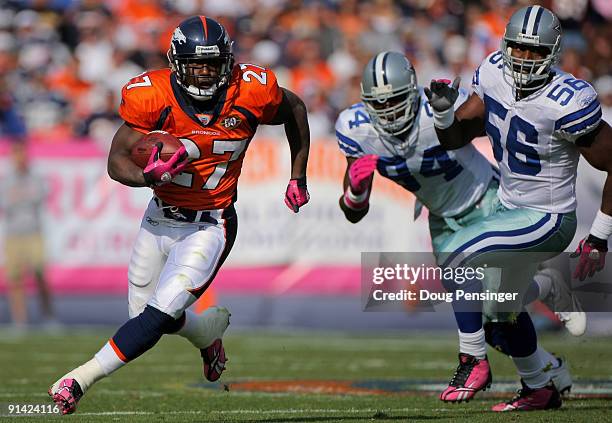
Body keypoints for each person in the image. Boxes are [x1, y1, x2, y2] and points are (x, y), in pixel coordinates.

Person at [48, 16, 310, 415]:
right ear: (176, 61)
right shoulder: (151, 95)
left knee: (155, 317)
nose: (204, 73)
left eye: (212, 63)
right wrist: (146, 176)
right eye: (195, 63)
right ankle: (206, 333)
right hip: (159, 217)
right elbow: (116, 160)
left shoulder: (251, 90)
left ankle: (78, 380)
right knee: (145, 318)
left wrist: (298, 176)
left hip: (211, 222)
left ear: (227, 62)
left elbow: (295, 108)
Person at [336, 50, 579, 409]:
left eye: (396, 101)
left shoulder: (439, 107)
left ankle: (489, 362)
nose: (387, 112)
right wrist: (355, 192)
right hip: (442, 220)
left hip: (488, 204)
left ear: (414, 91)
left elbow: (501, 132)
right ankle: (546, 368)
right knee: (495, 324)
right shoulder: (355, 129)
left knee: (499, 308)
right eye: (379, 104)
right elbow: (353, 212)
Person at [425, 5, 611, 411]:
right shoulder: (493, 74)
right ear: (505, 46)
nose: (524, 58)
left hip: (548, 219)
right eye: (518, 49)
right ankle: (539, 386)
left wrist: (599, 236)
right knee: (495, 316)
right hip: (507, 210)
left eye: (534, 51)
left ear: (554, 51)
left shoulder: (568, 99)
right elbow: (457, 138)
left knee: (457, 254)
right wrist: (442, 112)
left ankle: (472, 362)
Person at [0, 142, 54, 329]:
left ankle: (48, 317)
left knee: (40, 274)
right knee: (15, 278)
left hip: (33, 232)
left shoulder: (35, 178)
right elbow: (6, 204)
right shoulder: (6, 181)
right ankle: (20, 320)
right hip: (14, 234)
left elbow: (38, 197)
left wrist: (19, 197)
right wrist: (21, 197)